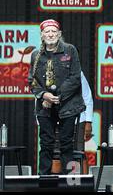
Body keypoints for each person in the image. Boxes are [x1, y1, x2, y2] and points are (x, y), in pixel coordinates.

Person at [28, 19, 85, 175]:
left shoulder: (70, 50)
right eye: (47, 32)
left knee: (67, 144)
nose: (51, 34)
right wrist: (44, 95)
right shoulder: (35, 55)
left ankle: (70, 182)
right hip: (45, 108)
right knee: (46, 144)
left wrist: (56, 96)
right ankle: (43, 180)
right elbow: (31, 81)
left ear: (59, 34)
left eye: (54, 31)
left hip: (68, 105)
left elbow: (75, 78)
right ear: (42, 35)